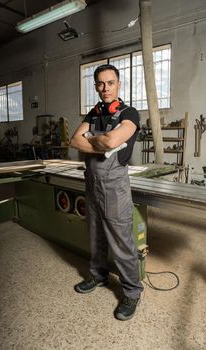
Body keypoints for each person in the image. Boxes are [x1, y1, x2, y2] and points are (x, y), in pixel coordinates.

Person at [70, 64, 143, 321]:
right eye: (100, 84)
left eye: (110, 82)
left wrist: (92, 138)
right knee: (96, 234)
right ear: (95, 86)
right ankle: (98, 276)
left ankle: (132, 292)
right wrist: (100, 140)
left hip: (114, 185)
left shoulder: (130, 113)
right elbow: (73, 141)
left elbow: (112, 141)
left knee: (121, 241)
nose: (105, 88)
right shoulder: (94, 112)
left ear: (119, 84)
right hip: (92, 183)